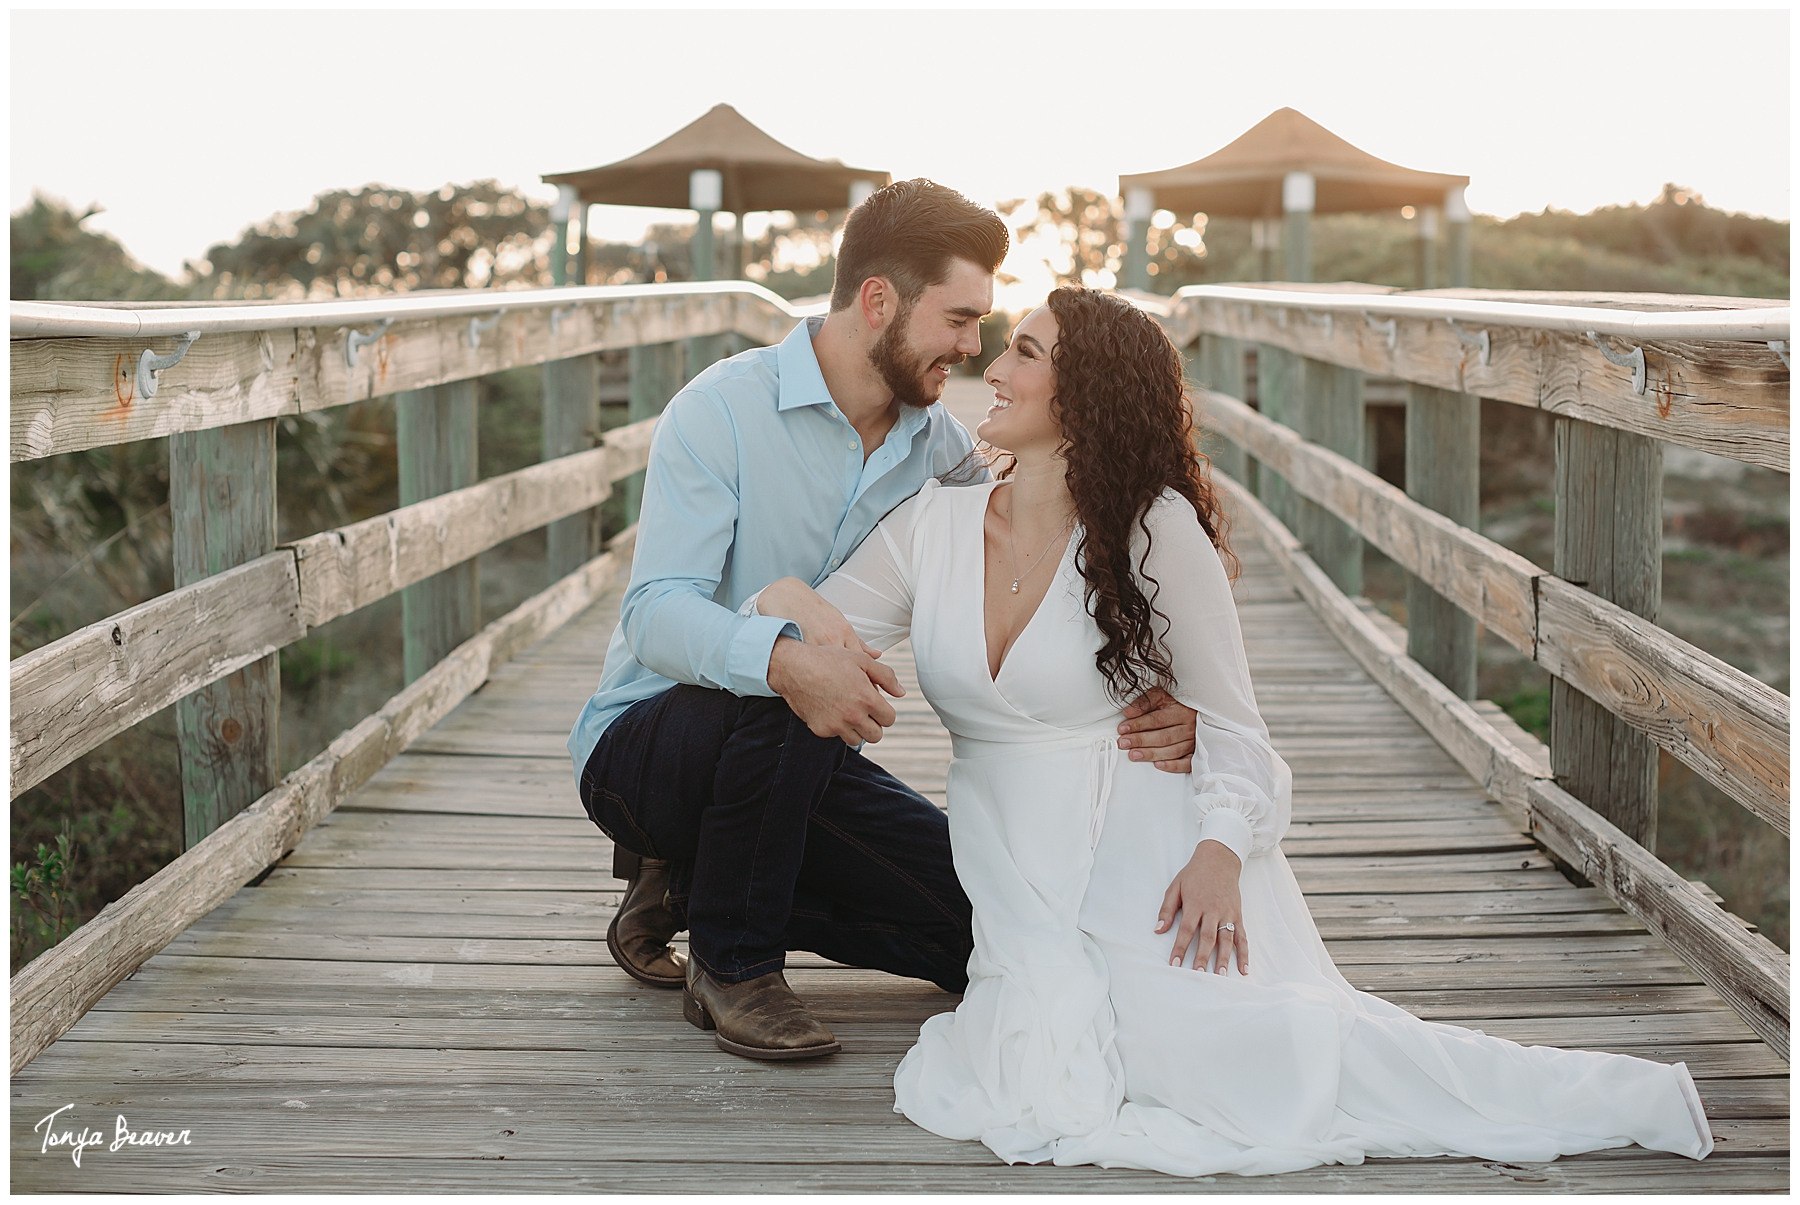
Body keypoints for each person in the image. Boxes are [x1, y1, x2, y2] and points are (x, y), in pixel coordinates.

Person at [747, 287, 1714, 1176]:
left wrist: (1218, 853)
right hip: (1016, 872)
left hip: (1149, 852)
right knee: (1039, 1062)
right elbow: (804, 616)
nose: (992, 370)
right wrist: (788, 603)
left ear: (1085, 397)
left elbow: (1237, 729)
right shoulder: (936, 524)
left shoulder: (1152, 526)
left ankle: (1612, 1093)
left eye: (1026, 354)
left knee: (1249, 1068)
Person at [568, 180, 1202, 1062]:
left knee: (980, 934)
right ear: (879, 300)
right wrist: (781, 654)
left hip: (802, 769)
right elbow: (653, 616)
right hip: (648, 747)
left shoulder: (944, 455)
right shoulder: (721, 410)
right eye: (959, 319)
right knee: (793, 670)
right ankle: (736, 964)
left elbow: (1039, 567)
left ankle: (688, 889)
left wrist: (1157, 689)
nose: (972, 349)